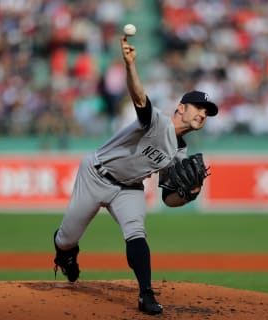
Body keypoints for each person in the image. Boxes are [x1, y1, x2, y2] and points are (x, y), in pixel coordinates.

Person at [52, 35, 218, 315]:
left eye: (207, 112)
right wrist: (130, 66)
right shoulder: (158, 122)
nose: (203, 114)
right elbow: (140, 98)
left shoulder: (180, 151)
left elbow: (168, 199)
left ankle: (146, 294)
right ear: (181, 108)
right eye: (199, 108)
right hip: (95, 174)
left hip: (128, 188)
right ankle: (66, 255)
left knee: (136, 233)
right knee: (66, 239)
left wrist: (187, 195)